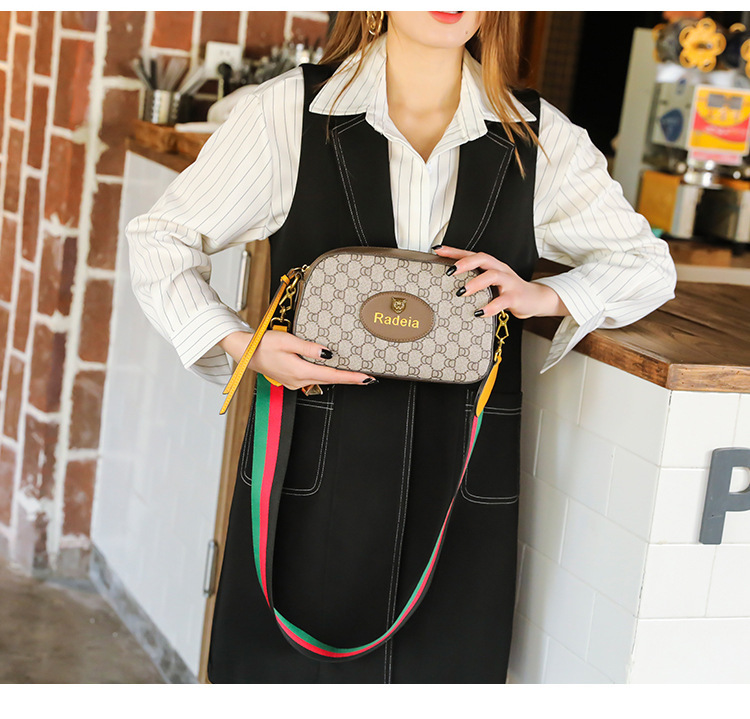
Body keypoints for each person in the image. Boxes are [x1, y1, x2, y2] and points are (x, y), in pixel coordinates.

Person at [125, 11, 676, 684]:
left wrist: (546, 295)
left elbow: (646, 264)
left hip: (465, 473)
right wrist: (243, 345)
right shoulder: (289, 112)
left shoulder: (540, 135)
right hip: (313, 455)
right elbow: (161, 239)